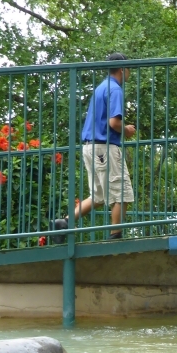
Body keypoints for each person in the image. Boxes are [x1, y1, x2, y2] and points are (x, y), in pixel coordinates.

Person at [55, 53, 136, 241]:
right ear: (123, 69)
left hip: (89, 148)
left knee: (98, 196)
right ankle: (115, 236)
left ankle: (64, 223)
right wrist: (127, 130)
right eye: (130, 68)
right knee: (123, 194)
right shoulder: (115, 89)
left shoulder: (101, 87)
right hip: (104, 147)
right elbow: (114, 122)